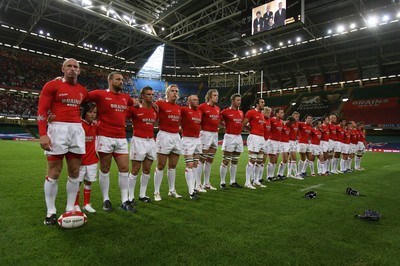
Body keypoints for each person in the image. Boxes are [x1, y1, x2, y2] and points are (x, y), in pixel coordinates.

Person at [38, 58, 88, 225]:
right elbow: (42, 110)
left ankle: (70, 207)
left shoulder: (83, 90)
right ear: (63, 69)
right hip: (57, 129)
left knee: (75, 172)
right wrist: (43, 133)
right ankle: (50, 211)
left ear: (79, 71)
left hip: (76, 130)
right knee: (54, 172)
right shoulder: (52, 85)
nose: (72, 69)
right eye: (69, 66)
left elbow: (97, 102)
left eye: (76, 66)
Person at [88, 72, 136, 212]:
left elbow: (137, 103)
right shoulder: (100, 94)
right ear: (110, 80)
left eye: (122, 79)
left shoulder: (126, 98)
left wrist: (152, 105)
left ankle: (124, 200)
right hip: (105, 136)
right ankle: (106, 200)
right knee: (105, 169)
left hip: (121, 137)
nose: (121, 82)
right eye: (118, 79)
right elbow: (81, 96)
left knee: (124, 169)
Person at [127, 86, 157, 204]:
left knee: (147, 169)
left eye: (152, 94)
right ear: (143, 96)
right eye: (148, 94)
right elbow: (123, 115)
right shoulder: (135, 109)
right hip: (138, 141)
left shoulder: (155, 110)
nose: (151, 96)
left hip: (151, 142)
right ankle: (130, 197)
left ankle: (142, 195)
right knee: (135, 169)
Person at [153, 84, 183, 201]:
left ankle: (172, 190)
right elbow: (150, 108)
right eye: (172, 91)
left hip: (176, 137)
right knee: (160, 165)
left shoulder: (179, 108)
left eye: (176, 91)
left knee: (173, 166)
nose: (175, 93)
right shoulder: (160, 104)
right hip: (164, 135)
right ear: (167, 93)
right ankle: (156, 192)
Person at [74, 102, 98, 213]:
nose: (93, 114)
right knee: (77, 182)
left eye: (94, 112)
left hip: (92, 159)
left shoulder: (95, 125)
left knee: (88, 182)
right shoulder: (78, 124)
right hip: (80, 160)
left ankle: (86, 204)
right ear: (84, 113)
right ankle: (75, 205)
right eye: (90, 112)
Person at [219, 93, 244, 189]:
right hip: (229, 137)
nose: (239, 102)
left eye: (240, 100)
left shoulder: (241, 112)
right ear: (233, 101)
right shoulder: (226, 112)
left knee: (235, 160)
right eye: (237, 100)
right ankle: (222, 182)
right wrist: (222, 126)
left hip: (238, 137)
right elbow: (218, 120)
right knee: (226, 160)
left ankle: (233, 181)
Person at [180, 95, 202, 199]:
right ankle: (191, 192)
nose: (197, 101)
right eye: (194, 100)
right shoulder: (184, 110)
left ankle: (194, 188)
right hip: (187, 140)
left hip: (197, 140)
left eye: (197, 100)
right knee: (190, 164)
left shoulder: (199, 112)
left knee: (195, 164)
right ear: (189, 101)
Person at [198, 89, 220, 191]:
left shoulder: (217, 108)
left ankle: (206, 183)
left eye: (217, 95)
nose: (216, 97)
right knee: (202, 159)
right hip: (205, 134)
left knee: (210, 160)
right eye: (214, 95)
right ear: (209, 96)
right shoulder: (202, 107)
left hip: (215, 134)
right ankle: (198, 184)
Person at [242, 98, 265, 189]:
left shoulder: (261, 114)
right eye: (262, 102)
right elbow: (244, 123)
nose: (263, 104)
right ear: (257, 104)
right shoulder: (251, 112)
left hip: (261, 138)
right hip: (254, 137)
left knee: (260, 160)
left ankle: (256, 180)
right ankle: (247, 182)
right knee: (252, 160)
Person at [266, 108, 284, 181]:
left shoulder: (281, 121)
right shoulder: (271, 120)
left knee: (275, 160)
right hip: (272, 141)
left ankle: (272, 175)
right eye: (281, 113)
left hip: (278, 142)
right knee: (271, 160)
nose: (283, 114)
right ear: (277, 113)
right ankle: (268, 176)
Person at [258, 106, 272, 183]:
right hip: (261, 140)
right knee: (258, 159)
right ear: (263, 112)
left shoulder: (269, 120)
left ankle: (260, 177)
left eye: (270, 113)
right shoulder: (261, 119)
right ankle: (255, 177)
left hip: (267, 141)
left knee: (263, 160)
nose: (269, 114)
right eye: (268, 112)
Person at [287, 111, 300, 178]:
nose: (297, 118)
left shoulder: (297, 124)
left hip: (294, 142)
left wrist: (297, 136)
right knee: (294, 158)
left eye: (298, 117)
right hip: (289, 141)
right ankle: (296, 174)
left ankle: (289, 173)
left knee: (290, 158)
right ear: (292, 116)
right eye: (295, 116)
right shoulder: (290, 123)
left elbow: (297, 132)